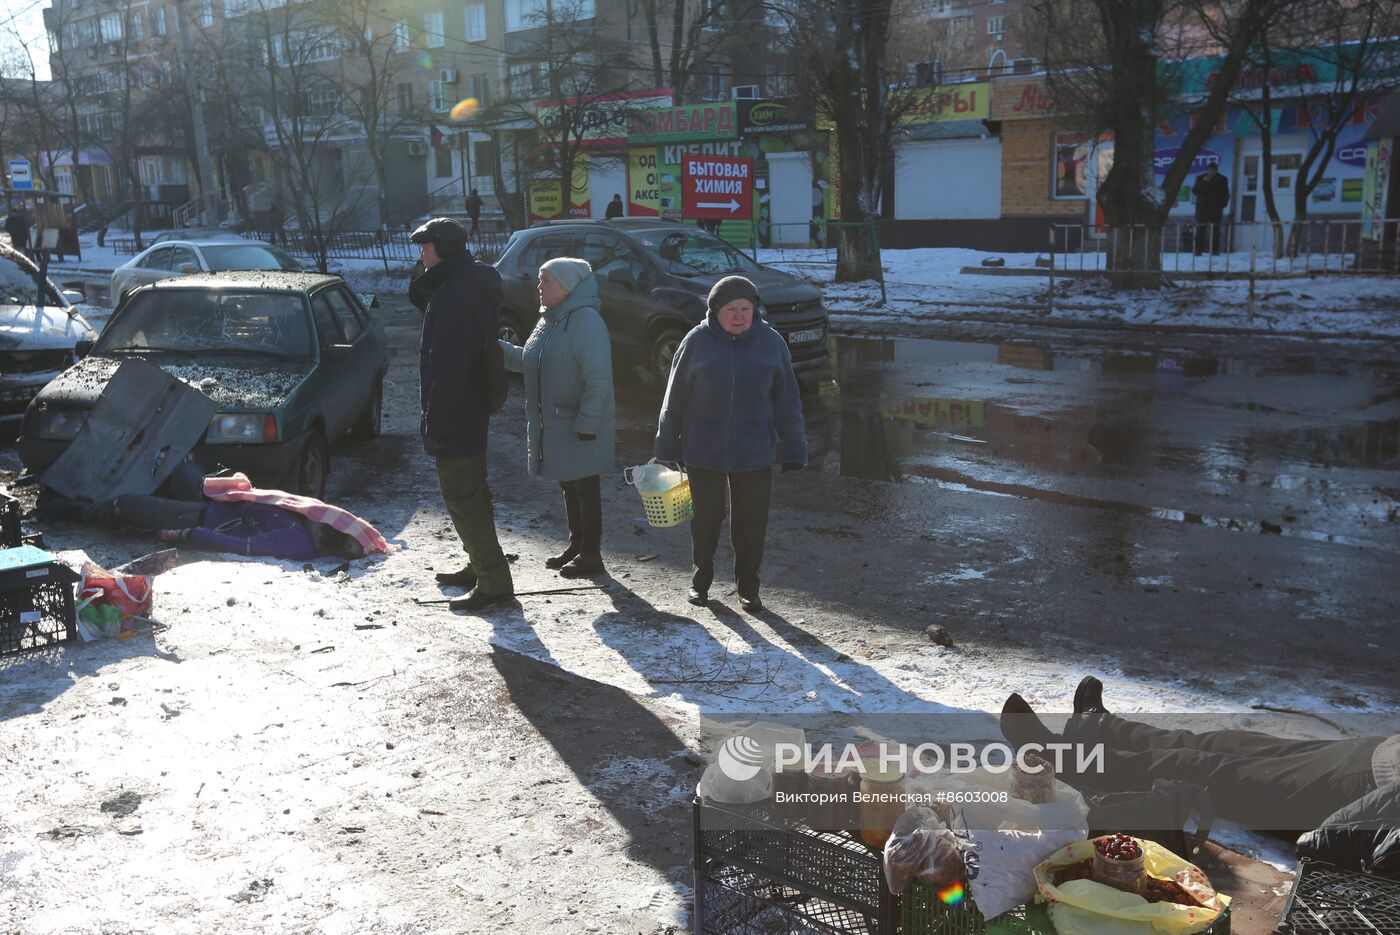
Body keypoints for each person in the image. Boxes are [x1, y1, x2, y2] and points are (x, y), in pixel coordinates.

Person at [1001, 677, 1399, 875]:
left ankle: (1060, 755)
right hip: (1382, 758)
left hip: (1369, 795)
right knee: (1227, 743)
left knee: (1208, 770)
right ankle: (1100, 728)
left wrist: (1341, 835)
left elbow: (1337, 839)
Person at [654, 275, 806, 613]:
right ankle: (700, 581)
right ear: (715, 311)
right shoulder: (696, 342)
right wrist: (666, 445)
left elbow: (788, 401)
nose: (740, 316)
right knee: (706, 520)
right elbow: (674, 398)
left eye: (746, 309)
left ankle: (748, 588)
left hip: (754, 450)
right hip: (703, 450)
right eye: (732, 309)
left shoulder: (771, 343)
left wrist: (794, 446)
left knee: (751, 524)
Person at [414, 216, 515, 612]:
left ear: (443, 249)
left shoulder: (455, 293)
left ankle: (493, 580)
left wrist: (436, 421)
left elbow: (449, 369)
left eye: (426, 248)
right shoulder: (463, 284)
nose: (421, 255)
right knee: (473, 491)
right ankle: (480, 564)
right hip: (468, 408)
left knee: (462, 495)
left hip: (457, 412)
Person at [499, 258, 615, 578]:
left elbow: (599, 378)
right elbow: (530, 362)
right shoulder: (549, 320)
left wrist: (589, 424)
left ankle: (591, 553)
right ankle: (577, 545)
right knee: (570, 485)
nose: (539, 286)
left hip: (579, 425)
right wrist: (494, 348)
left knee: (585, 487)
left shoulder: (586, 321)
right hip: (557, 425)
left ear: (567, 286)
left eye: (545, 280)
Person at [1192, 163, 1230, 256]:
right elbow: (1195, 191)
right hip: (1202, 208)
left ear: (1216, 170)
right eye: (1209, 170)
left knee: (1215, 230)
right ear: (1207, 170)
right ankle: (1198, 250)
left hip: (1216, 208)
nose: (1211, 172)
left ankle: (1215, 250)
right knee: (1201, 229)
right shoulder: (1200, 178)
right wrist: (1205, 181)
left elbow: (1226, 193)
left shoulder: (1222, 179)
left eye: (1213, 170)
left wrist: (1223, 204)